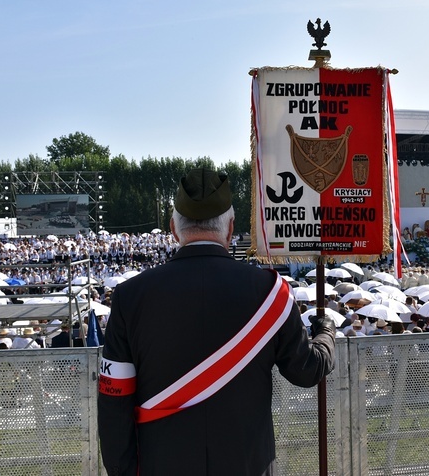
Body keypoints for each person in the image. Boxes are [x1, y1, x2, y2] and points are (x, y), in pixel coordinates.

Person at [98, 168, 336, 475]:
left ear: (173, 228)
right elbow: (307, 371)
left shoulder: (129, 296)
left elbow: (114, 401)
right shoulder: (268, 292)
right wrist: (326, 331)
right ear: (230, 227)